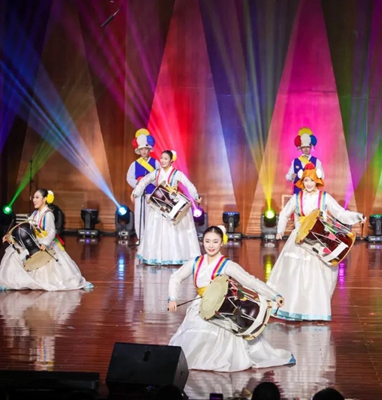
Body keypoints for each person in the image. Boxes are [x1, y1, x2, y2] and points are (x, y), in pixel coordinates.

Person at [167, 226, 294, 371]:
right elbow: (176, 277)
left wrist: (273, 295)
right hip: (201, 306)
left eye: (215, 242)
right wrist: (173, 298)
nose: (211, 245)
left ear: (222, 243)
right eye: (207, 241)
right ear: (202, 242)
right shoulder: (195, 262)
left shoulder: (227, 265)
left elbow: (250, 281)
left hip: (223, 306)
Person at [268, 163, 364, 321]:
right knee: (295, 274)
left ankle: (315, 308)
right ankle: (293, 307)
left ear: (317, 180)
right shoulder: (297, 198)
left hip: (320, 239)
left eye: (312, 180)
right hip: (299, 239)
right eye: (306, 180)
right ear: (302, 181)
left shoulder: (324, 197)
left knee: (321, 275)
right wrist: (280, 230)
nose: (309, 184)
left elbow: (340, 213)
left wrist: (357, 216)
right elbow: (284, 214)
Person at [0, 189, 92, 291]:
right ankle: (10, 282)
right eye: (33, 197)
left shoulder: (48, 214)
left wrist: (45, 243)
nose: (34, 200)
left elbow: (51, 232)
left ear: (44, 199)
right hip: (36, 242)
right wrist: (9, 235)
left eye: (37, 197)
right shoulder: (35, 213)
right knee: (13, 252)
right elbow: (25, 225)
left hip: (44, 243)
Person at [131, 150, 201, 265]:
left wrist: (196, 196)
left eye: (165, 159)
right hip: (159, 205)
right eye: (161, 158)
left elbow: (188, 185)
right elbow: (144, 181)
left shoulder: (177, 173)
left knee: (174, 232)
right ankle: (157, 256)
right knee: (157, 232)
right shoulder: (157, 172)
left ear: (171, 160)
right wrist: (136, 193)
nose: (162, 161)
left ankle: (175, 256)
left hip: (173, 205)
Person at [126, 129, 160, 245]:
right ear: (139, 151)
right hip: (140, 194)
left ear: (149, 150)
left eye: (146, 149)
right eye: (141, 149)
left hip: (152, 193)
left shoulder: (155, 163)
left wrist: (149, 181)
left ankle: (152, 239)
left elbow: (159, 177)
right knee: (139, 216)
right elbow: (129, 178)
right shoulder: (134, 164)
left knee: (152, 216)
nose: (144, 151)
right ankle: (141, 238)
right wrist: (138, 183)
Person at [285, 128, 324, 194]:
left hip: (312, 193)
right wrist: (291, 176)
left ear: (310, 147)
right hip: (298, 192)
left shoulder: (317, 161)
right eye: (304, 147)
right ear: (300, 148)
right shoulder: (295, 161)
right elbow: (288, 176)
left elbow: (322, 176)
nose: (306, 149)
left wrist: (317, 175)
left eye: (307, 147)